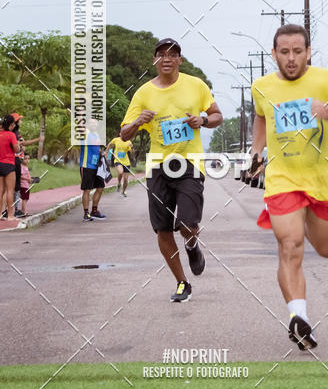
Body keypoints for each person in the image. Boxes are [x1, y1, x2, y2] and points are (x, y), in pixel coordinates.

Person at [249, 24, 328, 350]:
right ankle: (299, 316)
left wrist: (327, 112)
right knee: (290, 246)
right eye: (284, 52)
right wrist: (256, 151)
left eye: (298, 51)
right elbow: (260, 116)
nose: (291, 58)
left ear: (308, 52)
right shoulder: (261, 87)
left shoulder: (327, 80)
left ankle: (306, 221)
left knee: (325, 249)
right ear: (274, 54)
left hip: (322, 180)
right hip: (283, 180)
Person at [120, 38, 223, 303]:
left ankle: (192, 245)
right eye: (161, 54)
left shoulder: (196, 86)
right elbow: (124, 132)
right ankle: (182, 283)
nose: (167, 58)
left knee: (187, 224)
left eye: (172, 54)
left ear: (180, 60)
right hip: (158, 166)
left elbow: (217, 116)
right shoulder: (143, 93)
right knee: (163, 229)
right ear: (154, 60)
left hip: (189, 163)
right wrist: (138, 122)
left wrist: (203, 120)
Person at [80, 121, 107, 222]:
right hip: (87, 165)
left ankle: (94, 211)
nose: (94, 125)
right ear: (87, 125)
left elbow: (96, 148)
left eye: (95, 123)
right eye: (92, 123)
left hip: (97, 166)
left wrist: (102, 153)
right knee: (87, 189)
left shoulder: (96, 135)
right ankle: (86, 213)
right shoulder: (85, 133)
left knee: (100, 188)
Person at [0, 114, 18, 220]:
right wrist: (19, 147)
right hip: (9, 164)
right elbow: (16, 149)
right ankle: (10, 215)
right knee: (10, 191)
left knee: (0, 190)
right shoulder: (11, 135)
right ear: (11, 125)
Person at [17, 153, 32, 218]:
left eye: (28, 159)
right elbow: (20, 176)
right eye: (25, 159)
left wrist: (30, 179)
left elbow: (28, 175)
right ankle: (23, 211)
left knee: (26, 198)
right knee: (24, 198)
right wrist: (27, 179)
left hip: (27, 185)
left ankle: (24, 210)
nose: (27, 160)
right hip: (23, 185)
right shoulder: (21, 167)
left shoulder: (26, 167)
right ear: (22, 159)